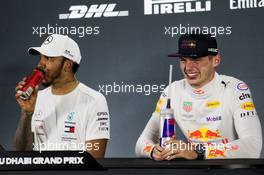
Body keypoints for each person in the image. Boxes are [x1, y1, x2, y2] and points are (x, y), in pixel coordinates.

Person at [135, 33, 262, 160]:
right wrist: (153, 151)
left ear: (216, 60)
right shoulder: (172, 91)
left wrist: (198, 152)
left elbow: (253, 146)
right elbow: (141, 143)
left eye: (196, 60)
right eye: (183, 60)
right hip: (195, 169)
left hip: (229, 170)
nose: (188, 67)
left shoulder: (235, 88)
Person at [13, 34, 110, 158]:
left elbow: (95, 159)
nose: (40, 64)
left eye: (48, 58)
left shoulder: (94, 100)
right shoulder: (36, 99)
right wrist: (26, 113)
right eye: (41, 58)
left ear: (67, 65)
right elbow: (19, 156)